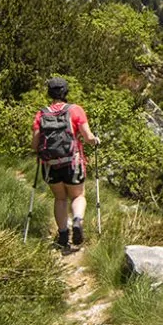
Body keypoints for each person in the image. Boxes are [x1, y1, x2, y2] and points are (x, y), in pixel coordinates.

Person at [33, 77, 99, 252]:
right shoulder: (75, 110)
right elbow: (88, 137)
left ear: (50, 93)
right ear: (66, 92)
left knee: (60, 198)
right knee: (78, 196)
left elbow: (35, 143)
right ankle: (77, 220)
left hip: (51, 164)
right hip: (72, 162)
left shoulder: (42, 114)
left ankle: (63, 235)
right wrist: (95, 140)